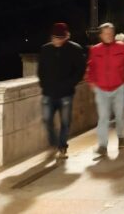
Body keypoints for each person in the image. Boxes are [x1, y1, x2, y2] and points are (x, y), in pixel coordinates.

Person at [86, 23, 124, 156]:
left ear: (113, 34)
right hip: (101, 89)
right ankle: (102, 145)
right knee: (103, 117)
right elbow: (90, 68)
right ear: (101, 35)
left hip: (119, 87)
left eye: (110, 33)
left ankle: (121, 138)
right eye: (105, 33)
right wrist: (91, 82)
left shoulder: (123, 47)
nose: (108, 35)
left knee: (120, 115)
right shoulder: (95, 50)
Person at [37, 22, 86, 159]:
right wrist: (44, 85)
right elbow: (41, 70)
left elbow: (80, 71)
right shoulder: (45, 49)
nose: (56, 41)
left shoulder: (75, 49)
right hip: (48, 93)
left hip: (66, 94)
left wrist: (70, 84)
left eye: (59, 38)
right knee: (47, 120)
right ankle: (54, 143)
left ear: (66, 37)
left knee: (65, 121)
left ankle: (62, 146)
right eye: (54, 37)